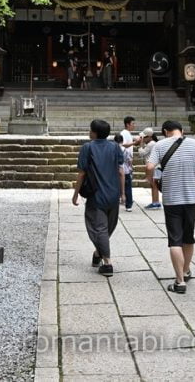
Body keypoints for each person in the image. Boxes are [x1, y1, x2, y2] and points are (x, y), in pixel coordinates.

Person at [146, 120, 195, 294]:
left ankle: (179, 281)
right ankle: (186, 270)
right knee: (188, 237)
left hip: (172, 199)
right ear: (181, 131)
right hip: (192, 198)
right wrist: (193, 178)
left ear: (166, 131)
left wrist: (150, 179)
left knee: (175, 239)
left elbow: (150, 166)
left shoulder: (159, 145)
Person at [72, 119, 126, 277]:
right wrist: (123, 193)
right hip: (113, 193)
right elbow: (121, 171)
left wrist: (75, 194)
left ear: (94, 132)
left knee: (99, 228)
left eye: (90, 130)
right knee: (108, 227)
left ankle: (107, 263)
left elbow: (82, 173)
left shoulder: (88, 147)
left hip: (97, 195)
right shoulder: (115, 147)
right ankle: (97, 254)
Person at [118, 116, 139, 212]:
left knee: (126, 182)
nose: (134, 125)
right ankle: (128, 203)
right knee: (127, 183)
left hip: (127, 162)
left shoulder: (128, 134)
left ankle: (125, 200)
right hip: (125, 163)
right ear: (127, 124)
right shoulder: (124, 133)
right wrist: (135, 143)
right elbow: (123, 145)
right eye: (133, 124)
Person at [140, 129, 162, 209]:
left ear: (149, 137)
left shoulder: (151, 144)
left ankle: (156, 202)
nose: (142, 139)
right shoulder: (152, 143)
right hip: (154, 167)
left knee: (154, 185)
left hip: (154, 167)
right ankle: (154, 202)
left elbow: (141, 153)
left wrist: (141, 144)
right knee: (153, 185)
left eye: (143, 137)